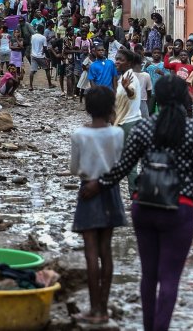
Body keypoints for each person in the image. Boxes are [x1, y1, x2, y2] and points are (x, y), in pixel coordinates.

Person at [82, 75, 193, 331]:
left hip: (144, 206)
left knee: (148, 276)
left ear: (157, 99)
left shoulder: (144, 127)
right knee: (170, 279)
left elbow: (123, 167)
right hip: (180, 209)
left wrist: (98, 185)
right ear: (185, 98)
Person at [69, 86, 126, 325]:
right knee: (106, 251)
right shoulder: (117, 134)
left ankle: (93, 310)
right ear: (111, 107)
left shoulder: (79, 134)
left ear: (88, 107)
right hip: (110, 191)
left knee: (91, 252)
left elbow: (74, 169)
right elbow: (120, 166)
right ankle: (103, 308)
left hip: (88, 191)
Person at [113, 49, 143, 196]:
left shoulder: (129, 77)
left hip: (128, 124)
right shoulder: (124, 76)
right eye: (116, 59)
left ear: (129, 63)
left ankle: (134, 194)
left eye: (121, 59)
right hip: (126, 122)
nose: (117, 61)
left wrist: (127, 89)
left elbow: (132, 94)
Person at [29, 25, 55, 90]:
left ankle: (30, 86)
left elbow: (32, 45)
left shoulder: (33, 36)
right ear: (42, 30)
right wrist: (47, 56)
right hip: (41, 56)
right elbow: (45, 48)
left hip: (33, 55)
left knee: (32, 71)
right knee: (47, 69)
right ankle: (50, 84)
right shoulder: (43, 37)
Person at [134, 55, 152, 119]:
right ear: (141, 64)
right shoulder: (146, 75)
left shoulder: (128, 74)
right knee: (145, 120)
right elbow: (149, 91)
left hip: (131, 102)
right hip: (143, 101)